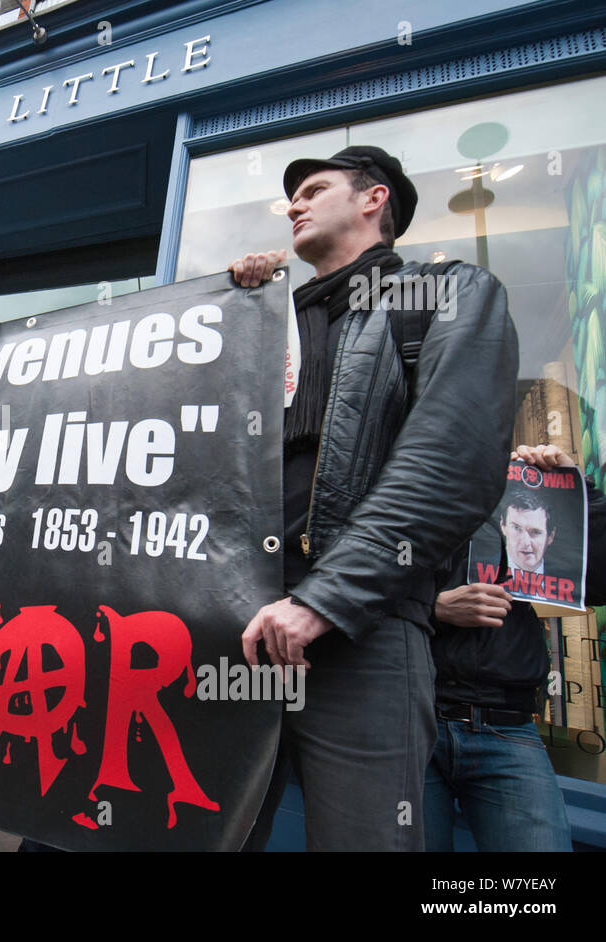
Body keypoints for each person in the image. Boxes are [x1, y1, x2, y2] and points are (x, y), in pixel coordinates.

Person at [229, 145, 519, 850]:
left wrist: (323, 601)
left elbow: (450, 465)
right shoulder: (262, 321)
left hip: (366, 633)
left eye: (314, 187)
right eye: (290, 194)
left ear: (373, 199)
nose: (294, 201)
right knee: (204, 832)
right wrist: (234, 306)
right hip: (235, 628)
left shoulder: (448, 293)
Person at [426, 443, 604, 851]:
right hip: (417, 720)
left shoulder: (519, 495)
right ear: (504, 526)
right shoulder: (415, 487)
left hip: (508, 726)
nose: (527, 542)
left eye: (536, 532)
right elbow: (359, 591)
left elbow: (598, 575)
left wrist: (578, 490)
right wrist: (435, 608)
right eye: (518, 529)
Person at [499, 491, 556, 574]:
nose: (525, 543)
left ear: (551, 536)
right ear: (503, 526)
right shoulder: (476, 570)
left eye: (536, 532)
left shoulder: (568, 576)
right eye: (516, 528)